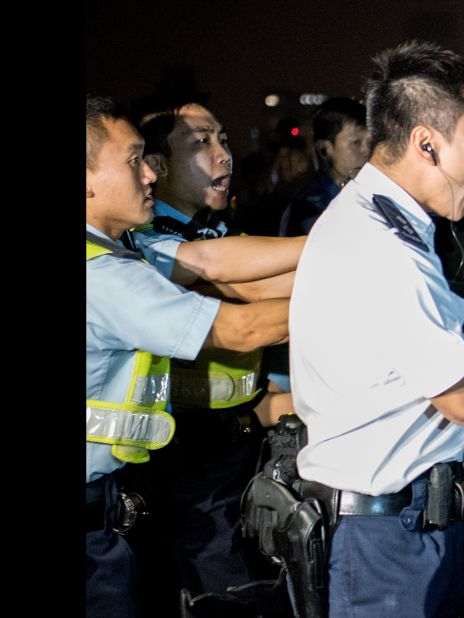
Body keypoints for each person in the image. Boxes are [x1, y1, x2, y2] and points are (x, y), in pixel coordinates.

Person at [288, 40, 464, 617]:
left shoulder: (381, 219)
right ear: (428, 141)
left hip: (404, 523)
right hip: (384, 542)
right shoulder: (383, 246)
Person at [85, 94, 290, 617]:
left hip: (117, 495)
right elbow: (240, 329)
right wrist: (373, 291)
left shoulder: (119, 250)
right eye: (134, 160)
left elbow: (205, 259)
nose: (149, 174)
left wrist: (339, 245)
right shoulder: (103, 274)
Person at [279, 96, 370, 237]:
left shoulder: (371, 194)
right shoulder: (308, 210)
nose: (367, 150)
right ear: (325, 149)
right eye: (356, 142)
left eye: (370, 142)